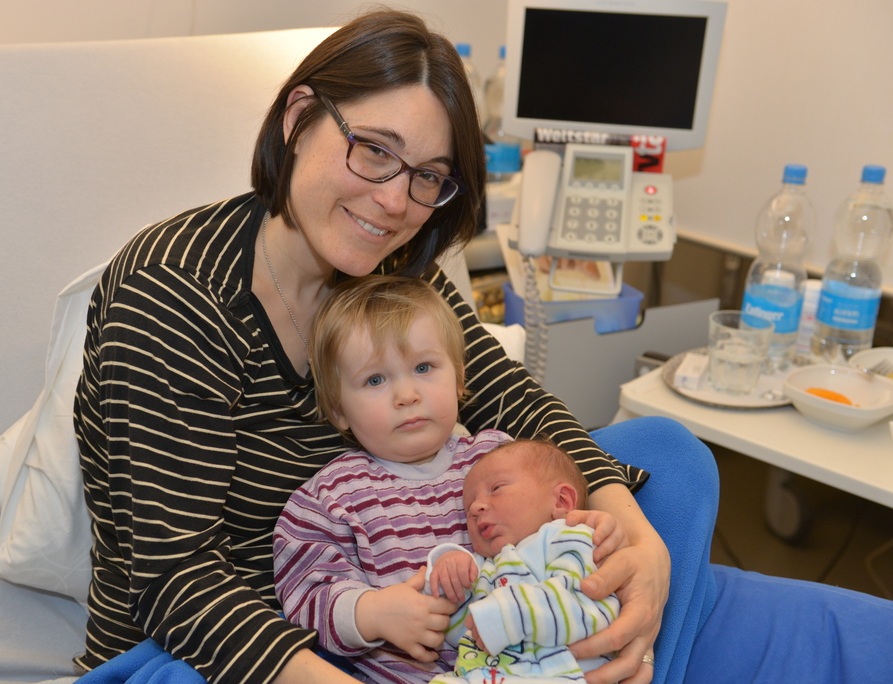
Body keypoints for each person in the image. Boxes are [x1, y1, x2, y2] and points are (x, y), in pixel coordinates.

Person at [73, 7, 674, 684]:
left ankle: (627, 641)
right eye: (376, 150)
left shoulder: (392, 271)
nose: (395, 203)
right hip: (211, 649)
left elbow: (511, 397)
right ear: (298, 118)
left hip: (424, 621)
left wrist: (638, 544)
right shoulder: (176, 294)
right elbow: (176, 580)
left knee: (668, 454)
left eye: (427, 175)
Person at [274, 275, 604, 683]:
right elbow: (306, 594)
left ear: (459, 379)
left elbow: (560, 519)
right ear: (339, 410)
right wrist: (371, 613)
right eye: (375, 379)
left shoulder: (498, 456)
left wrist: (594, 528)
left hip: (537, 661)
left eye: (423, 367)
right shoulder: (329, 497)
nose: (406, 395)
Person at [424, 439, 618, 683]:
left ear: (561, 501)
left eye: (496, 488)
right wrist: (448, 577)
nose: (475, 508)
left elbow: (588, 608)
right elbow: (461, 632)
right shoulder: (486, 567)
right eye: (468, 506)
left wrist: (509, 614)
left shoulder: (571, 538)